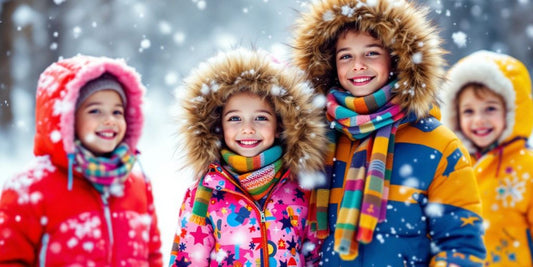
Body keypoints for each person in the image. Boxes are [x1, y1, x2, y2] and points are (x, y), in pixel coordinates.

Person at [291, 0, 486, 266]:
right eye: (345, 56)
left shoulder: (438, 145)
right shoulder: (316, 141)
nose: (358, 65)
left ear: (396, 58)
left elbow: (460, 245)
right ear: (330, 65)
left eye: (371, 53)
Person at [168, 48, 328, 266]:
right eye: (235, 119)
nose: (248, 129)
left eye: (260, 118)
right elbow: (187, 261)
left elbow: (315, 257)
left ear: (280, 125)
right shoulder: (204, 194)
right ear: (218, 126)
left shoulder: (300, 190)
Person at [0, 55, 163, 266]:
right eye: (95, 111)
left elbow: (152, 257)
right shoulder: (30, 189)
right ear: (67, 119)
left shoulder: (137, 186)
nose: (110, 120)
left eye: (117, 111)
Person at [441, 50, 533, 266]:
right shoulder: (451, 166)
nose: (479, 120)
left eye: (490, 108)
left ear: (511, 110)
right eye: (468, 111)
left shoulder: (527, 168)